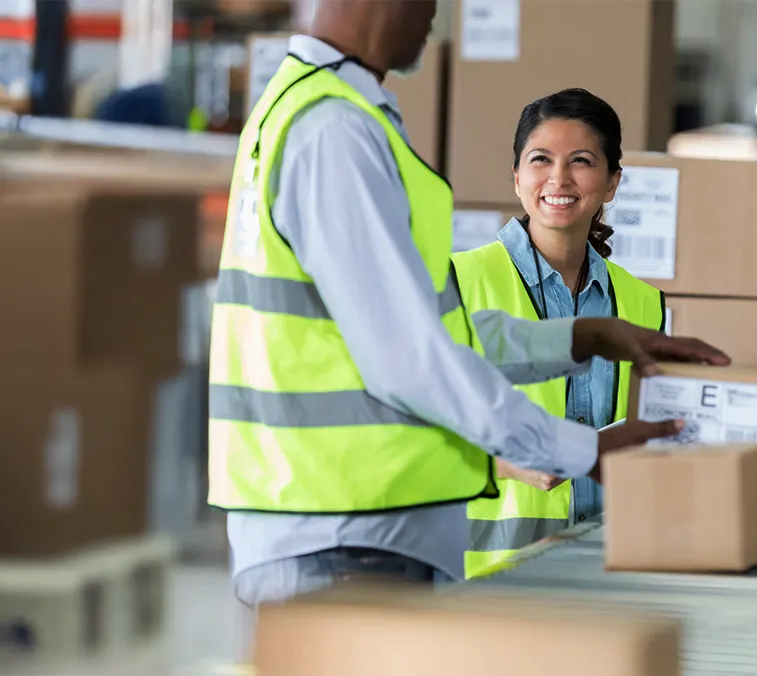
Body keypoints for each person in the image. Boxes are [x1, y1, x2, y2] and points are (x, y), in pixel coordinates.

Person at [208, 0, 729, 608]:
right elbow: (410, 356)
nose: (436, 15)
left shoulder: (307, 112)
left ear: (613, 181)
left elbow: (422, 334)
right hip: (346, 527)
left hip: (345, 524)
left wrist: (580, 337)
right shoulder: (334, 129)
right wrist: (581, 451)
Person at [453, 89, 663, 578]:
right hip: (486, 577)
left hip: (610, 568)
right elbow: (405, 427)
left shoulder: (643, 304)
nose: (559, 178)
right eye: (540, 159)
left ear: (612, 183)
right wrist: (505, 464)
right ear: (517, 176)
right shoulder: (457, 282)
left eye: (582, 161)